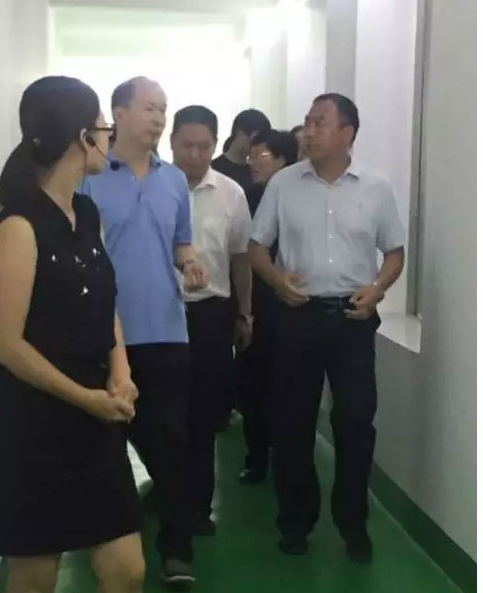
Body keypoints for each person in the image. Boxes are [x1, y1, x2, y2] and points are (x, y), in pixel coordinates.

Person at [0, 77, 145, 593]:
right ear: (82, 137)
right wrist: (86, 398)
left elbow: (104, 303)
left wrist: (121, 373)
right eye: (103, 125)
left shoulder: (87, 214)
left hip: (95, 416)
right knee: (35, 575)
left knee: (126, 568)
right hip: (32, 424)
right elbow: (6, 344)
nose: (108, 136)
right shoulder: (19, 227)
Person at [250, 93, 405, 564]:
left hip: (353, 321)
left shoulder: (376, 188)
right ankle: (296, 522)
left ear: (347, 133)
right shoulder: (283, 184)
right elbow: (256, 246)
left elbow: (394, 253)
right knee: (292, 424)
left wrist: (378, 288)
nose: (309, 131)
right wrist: (276, 280)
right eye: (308, 121)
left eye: (320, 122)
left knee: (355, 424)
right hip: (296, 318)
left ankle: (353, 524)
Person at [79, 76, 208, 589]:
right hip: (104, 337)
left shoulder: (173, 180)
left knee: (171, 446)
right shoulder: (89, 176)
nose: (158, 118)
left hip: (166, 333)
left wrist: (190, 264)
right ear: (119, 113)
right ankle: (107, 544)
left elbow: (181, 244)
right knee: (103, 449)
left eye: (163, 109)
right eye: (150, 108)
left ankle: (176, 550)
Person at [170, 105, 253, 536]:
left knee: (203, 417)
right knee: (161, 414)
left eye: (204, 146)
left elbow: (241, 259)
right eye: (187, 145)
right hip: (161, 315)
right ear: (171, 143)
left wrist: (244, 312)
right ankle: (166, 494)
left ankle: (197, 507)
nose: (195, 155)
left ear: (216, 145)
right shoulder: (154, 187)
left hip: (210, 315)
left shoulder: (231, 194)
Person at [238, 129, 299, 485]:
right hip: (256, 304)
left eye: (261, 155)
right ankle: (256, 457)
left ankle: (285, 458)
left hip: (293, 308)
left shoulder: (301, 198)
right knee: (252, 384)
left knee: (288, 388)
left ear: (283, 160)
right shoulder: (247, 198)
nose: (252, 163)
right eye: (251, 155)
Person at [212, 109, 271, 195]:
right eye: (255, 139)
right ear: (240, 133)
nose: (256, 145)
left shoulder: (256, 172)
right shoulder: (213, 169)